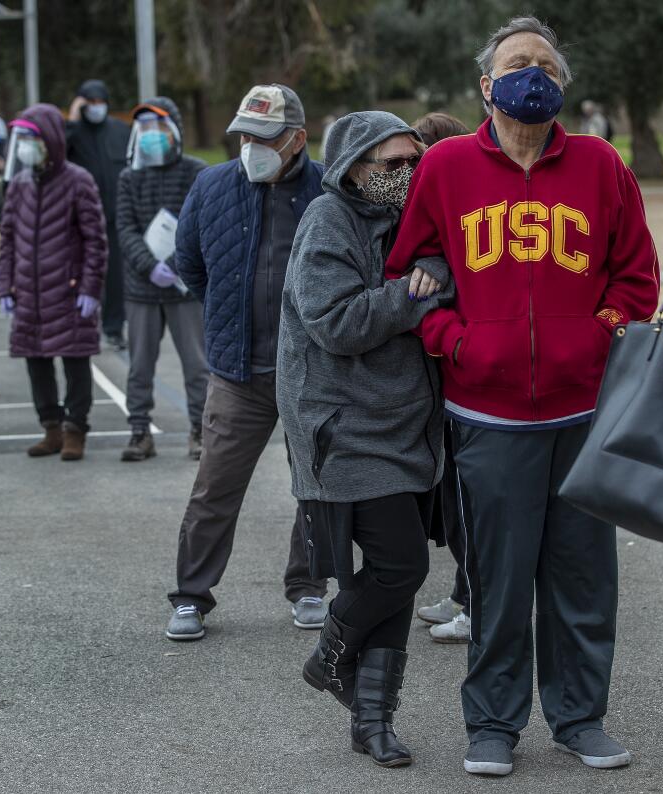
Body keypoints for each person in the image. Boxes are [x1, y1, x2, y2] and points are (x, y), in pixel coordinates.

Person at [385, 16, 660, 777]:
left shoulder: (602, 166)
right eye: (516, 62)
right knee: (499, 583)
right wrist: (457, 342)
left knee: (582, 579)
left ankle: (580, 718)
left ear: (562, 84)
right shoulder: (444, 168)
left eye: (545, 63)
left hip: (583, 415)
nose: (531, 73)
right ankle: (494, 725)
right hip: (487, 415)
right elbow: (408, 274)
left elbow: (637, 277)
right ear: (487, 85)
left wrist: (599, 336)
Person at [282, 111, 452, 768]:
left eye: (416, 159)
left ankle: (372, 719)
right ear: (354, 166)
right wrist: (416, 295)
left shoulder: (412, 219)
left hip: (410, 429)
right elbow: (337, 322)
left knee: (397, 578)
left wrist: (429, 277)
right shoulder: (328, 222)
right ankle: (329, 653)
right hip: (346, 429)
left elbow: (443, 273)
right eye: (394, 163)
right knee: (402, 566)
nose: (409, 172)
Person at [166, 84, 328, 641]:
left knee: (315, 487)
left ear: (297, 140)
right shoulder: (212, 185)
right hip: (237, 372)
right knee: (214, 488)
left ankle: (307, 586)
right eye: (243, 136)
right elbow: (190, 264)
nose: (249, 147)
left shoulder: (327, 190)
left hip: (311, 372)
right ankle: (190, 596)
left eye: (263, 138)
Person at [0, 104, 107, 462]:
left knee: (75, 361)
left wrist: (91, 287)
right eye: (22, 139)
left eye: (32, 137)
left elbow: (96, 240)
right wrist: (4, 286)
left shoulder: (79, 181)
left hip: (69, 291)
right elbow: (8, 238)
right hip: (28, 292)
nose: (26, 145)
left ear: (50, 139)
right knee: (36, 361)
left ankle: (76, 430)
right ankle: (51, 428)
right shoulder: (18, 185)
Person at [408, 110, 473, 646]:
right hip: (436, 377)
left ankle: (475, 603)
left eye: (420, 153)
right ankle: (462, 591)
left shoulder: (458, 194)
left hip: (463, 379)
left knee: (465, 501)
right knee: (452, 500)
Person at [116, 99, 209, 462]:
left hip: (184, 288)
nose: (151, 137)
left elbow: (199, 225)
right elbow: (125, 228)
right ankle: (139, 432)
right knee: (139, 364)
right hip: (141, 287)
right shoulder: (129, 177)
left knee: (197, 364)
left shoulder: (195, 172)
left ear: (174, 131)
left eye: (158, 129)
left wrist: (174, 263)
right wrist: (149, 265)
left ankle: (200, 430)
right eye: (145, 130)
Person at [67, 79, 131, 351]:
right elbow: (59, 149)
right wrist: (72, 118)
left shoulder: (119, 130)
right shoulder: (74, 132)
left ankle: (113, 328)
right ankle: (79, 326)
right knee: (82, 274)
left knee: (115, 277)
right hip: (81, 219)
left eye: (99, 102)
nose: (95, 108)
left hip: (115, 217)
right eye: (89, 103)